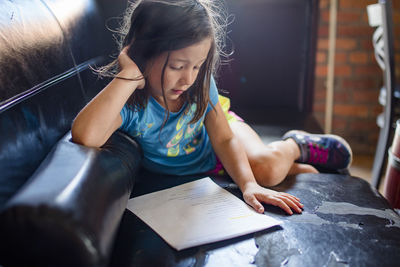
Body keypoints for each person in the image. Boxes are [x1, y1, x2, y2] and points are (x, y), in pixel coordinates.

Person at [71, 0, 352, 215]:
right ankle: (295, 166)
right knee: (291, 173)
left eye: (197, 66)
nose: (189, 77)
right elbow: (85, 135)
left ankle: (295, 145)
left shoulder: (197, 87)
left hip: (224, 134)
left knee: (265, 171)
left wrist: (249, 185)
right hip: (209, 167)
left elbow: (224, 137)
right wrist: (129, 74)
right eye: (177, 66)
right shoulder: (131, 105)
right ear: (142, 52)